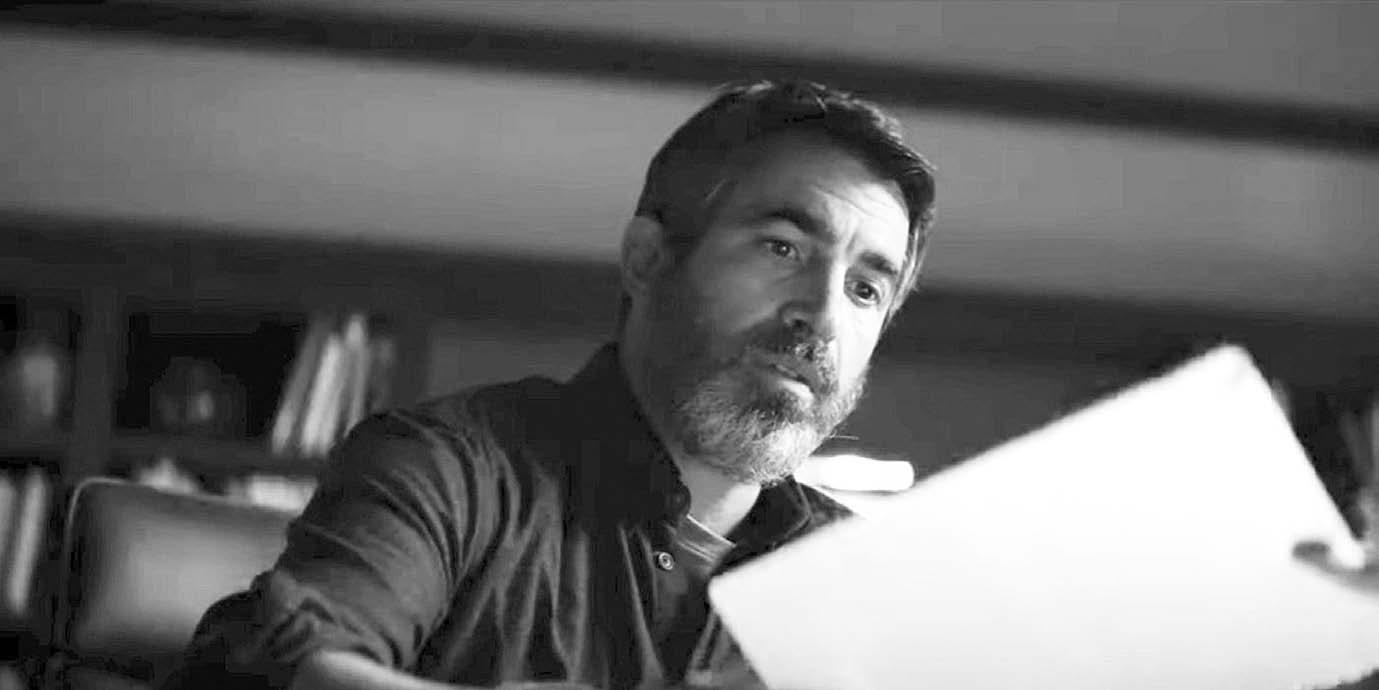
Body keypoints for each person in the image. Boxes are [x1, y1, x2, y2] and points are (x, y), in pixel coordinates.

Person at [159, 78, 938, 690]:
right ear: (647, 259)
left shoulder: (859, 577)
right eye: (781, 249)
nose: (822, 315)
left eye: (865, 289)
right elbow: (295, 667)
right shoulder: (448, 467)